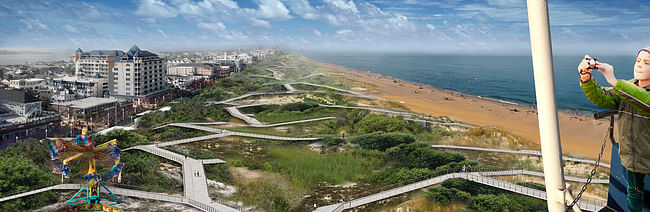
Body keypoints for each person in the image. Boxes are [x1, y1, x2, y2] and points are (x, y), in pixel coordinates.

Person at [578, 48, 650, 212]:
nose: (639, 66)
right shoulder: (628, 87)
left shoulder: (625, 89)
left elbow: (646, 101)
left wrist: (614, 81)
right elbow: (601, 97)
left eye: (647, 63)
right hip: (631, 157)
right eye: (638, 61)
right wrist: (586, 77)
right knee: (633, 197)